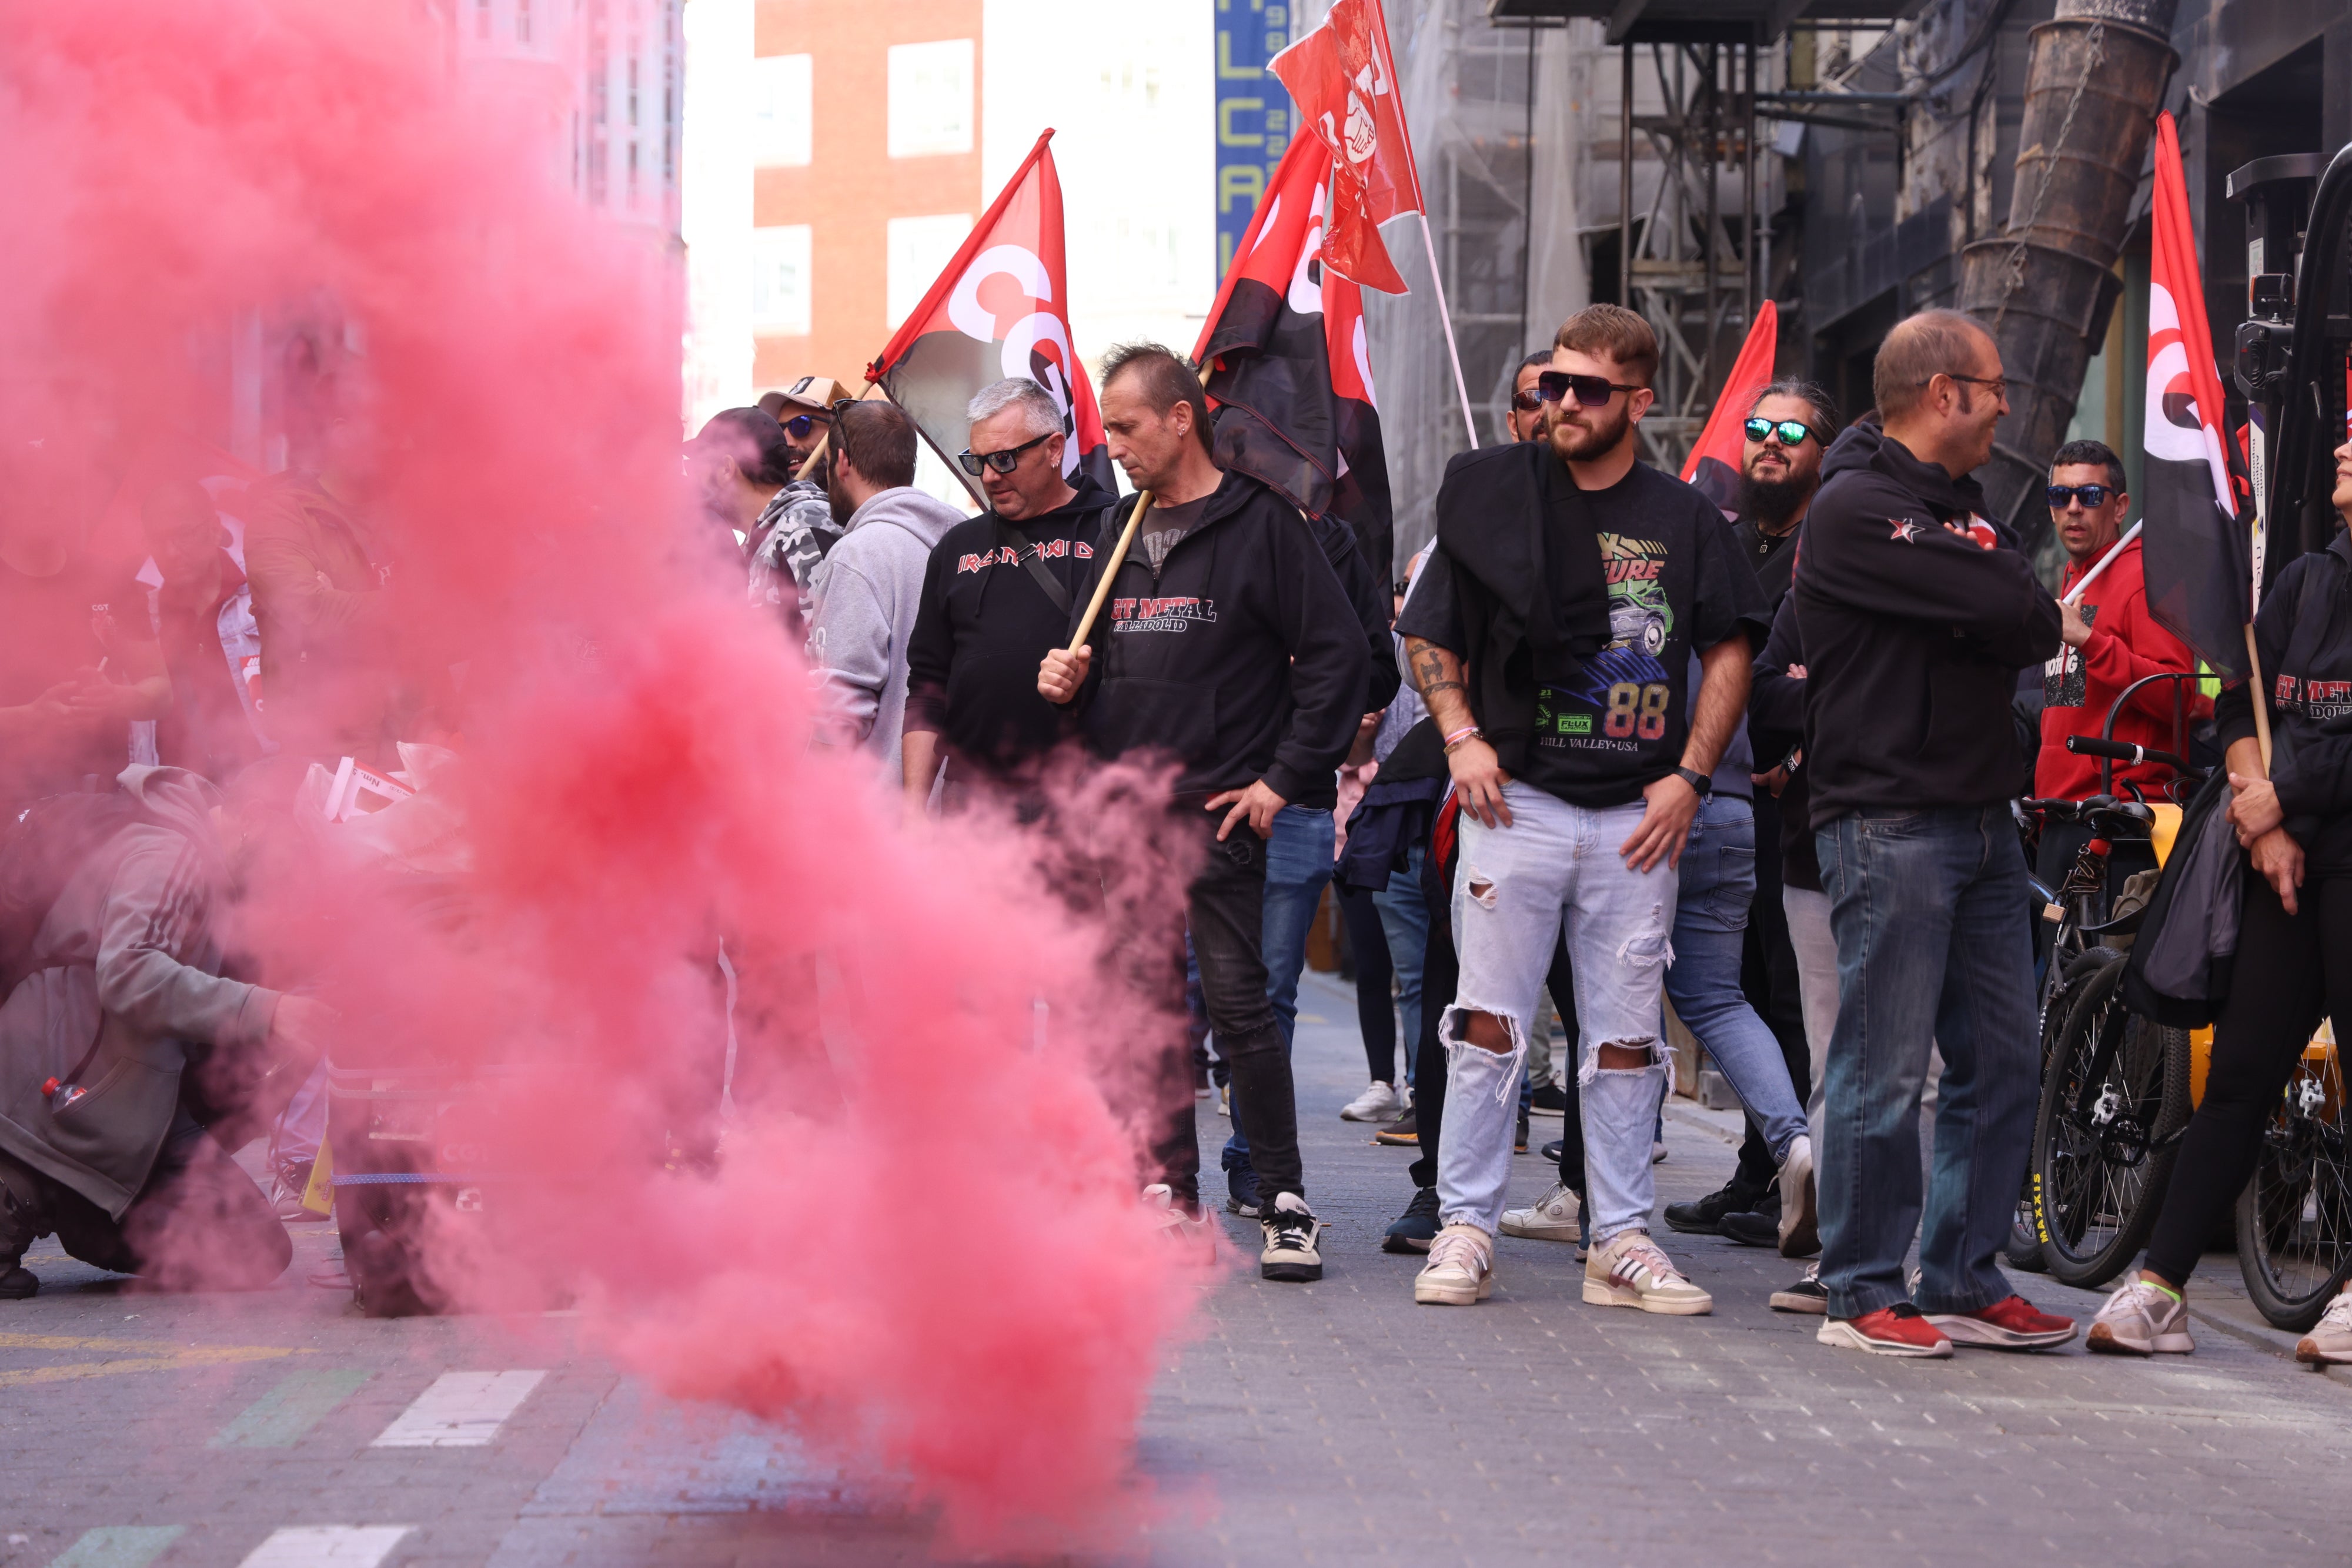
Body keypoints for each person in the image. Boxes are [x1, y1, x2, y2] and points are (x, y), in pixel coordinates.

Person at [1397, 303, 1767, 1313]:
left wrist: (1692, 773)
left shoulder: (1684, 517)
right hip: (1515, 798)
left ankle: (1621, 1237)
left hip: (1635, 815)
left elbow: (1731, 641)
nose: (1560, 403)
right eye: (1552, 384)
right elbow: (1429, 632)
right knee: (1486, 1025)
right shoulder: (1489, 496)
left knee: (1624, 1040)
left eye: (1587, 389)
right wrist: (1463, 735)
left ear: (1639, 402)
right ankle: (1465, 1224)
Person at [1038, 342, 1368, 1282]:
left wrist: (1284, 778)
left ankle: (1284, 1198)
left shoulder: (1264, 524)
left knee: (1240, 1011)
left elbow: (1340, 656)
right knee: (1146, 1010)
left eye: (1129, 427)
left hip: (1221, 812)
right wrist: (1061, 678)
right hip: (1127, 813)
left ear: (1182, 418)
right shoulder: (1116, 529)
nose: (1115, 446)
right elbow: (1082, 658)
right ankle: (1167, 1193)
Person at [1796, 309, 2074, 1357]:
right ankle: (1862, 1290)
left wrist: (1992, 589)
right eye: (1994, 387)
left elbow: (2030, 613)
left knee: (2005, 1060)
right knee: (1883, 1062)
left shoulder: (1970, 512)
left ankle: (1962, 1274)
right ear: (1942, 392)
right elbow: (2008, 599)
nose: (2007, 406)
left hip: (1983, 821)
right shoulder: (1855, 505)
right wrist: (1993, 591)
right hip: (1889, 817)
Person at [2087, 434, 2352, 1365]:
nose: (2345, 445)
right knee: (2239, 1076)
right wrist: (2259, 810)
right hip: (2281, 862)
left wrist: (2294, 793)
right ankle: (2159, 1287)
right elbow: (2238, 700)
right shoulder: (2305, 581)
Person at [0, 767, 335, 1297]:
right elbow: (127, 974)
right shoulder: (170, 851)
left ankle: (85, 1201)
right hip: (69, 1068)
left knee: (254, 1247)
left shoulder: (206, 876)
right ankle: (26, 1182)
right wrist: (266, 1010)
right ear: (248, 823)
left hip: (114, 1075)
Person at [1668, 382, 1838, 1248]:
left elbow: (1819, 683)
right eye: (1758, 429)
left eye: (1790, 432)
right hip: (1722, 796)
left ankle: (1792, 1176)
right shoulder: (1727, 544)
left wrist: (1791, 749)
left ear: (1823, 447)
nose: (1769, 444)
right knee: (1735, 985)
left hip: (1796, 806)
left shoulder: (1827, 548)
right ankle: (1762, 1167)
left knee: (1785, 992)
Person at [901, 377, 1118, 810]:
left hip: (1080, 799)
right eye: (976, 460)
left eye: (1003, 459)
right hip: (970, 802)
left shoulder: (1114, 532)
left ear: (1055, 449)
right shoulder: (956, 546)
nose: (988, 476)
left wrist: (1087, 680)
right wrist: (912, 807)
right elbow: (927, 684)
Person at [2033, 439, 2203, 888]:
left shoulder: (2145, 577)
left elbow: (2178, 695)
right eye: (2060, 495)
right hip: (2062, 818)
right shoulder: (2075, 574)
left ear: (2120, 506)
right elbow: (2070, 706)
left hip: (2120, 825)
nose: (2073, 508)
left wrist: (2090, 641)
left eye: (2089, 496)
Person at [0, 445, 171, 815]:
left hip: (98, 801)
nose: (47, 503)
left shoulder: (108, 581)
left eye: (58, 490)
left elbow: (159, 689)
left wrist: (114, 698)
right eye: (31, 489)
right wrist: (33, 715)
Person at [804, 401, 965, 784]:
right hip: (951, 811)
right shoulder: (963, 541)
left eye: (827, 464)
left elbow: (838, 715)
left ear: (841, 462)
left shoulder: (857, 554)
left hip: (880, 820)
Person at [240, 423, 409, 770]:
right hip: (325, 746)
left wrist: (344, 601)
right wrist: (411, 607)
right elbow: (309, 612)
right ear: (338, 431)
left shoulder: (408, 512)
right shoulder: (283, 514)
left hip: (412, 732)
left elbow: (456, 619)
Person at [138, 481, 270, 785]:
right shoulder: (148, 615)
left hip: (264, 780)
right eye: (158, 541)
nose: (171, 552)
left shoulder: (260, 595)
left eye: (183, 534)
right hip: (181, 789)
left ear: (214, 530)